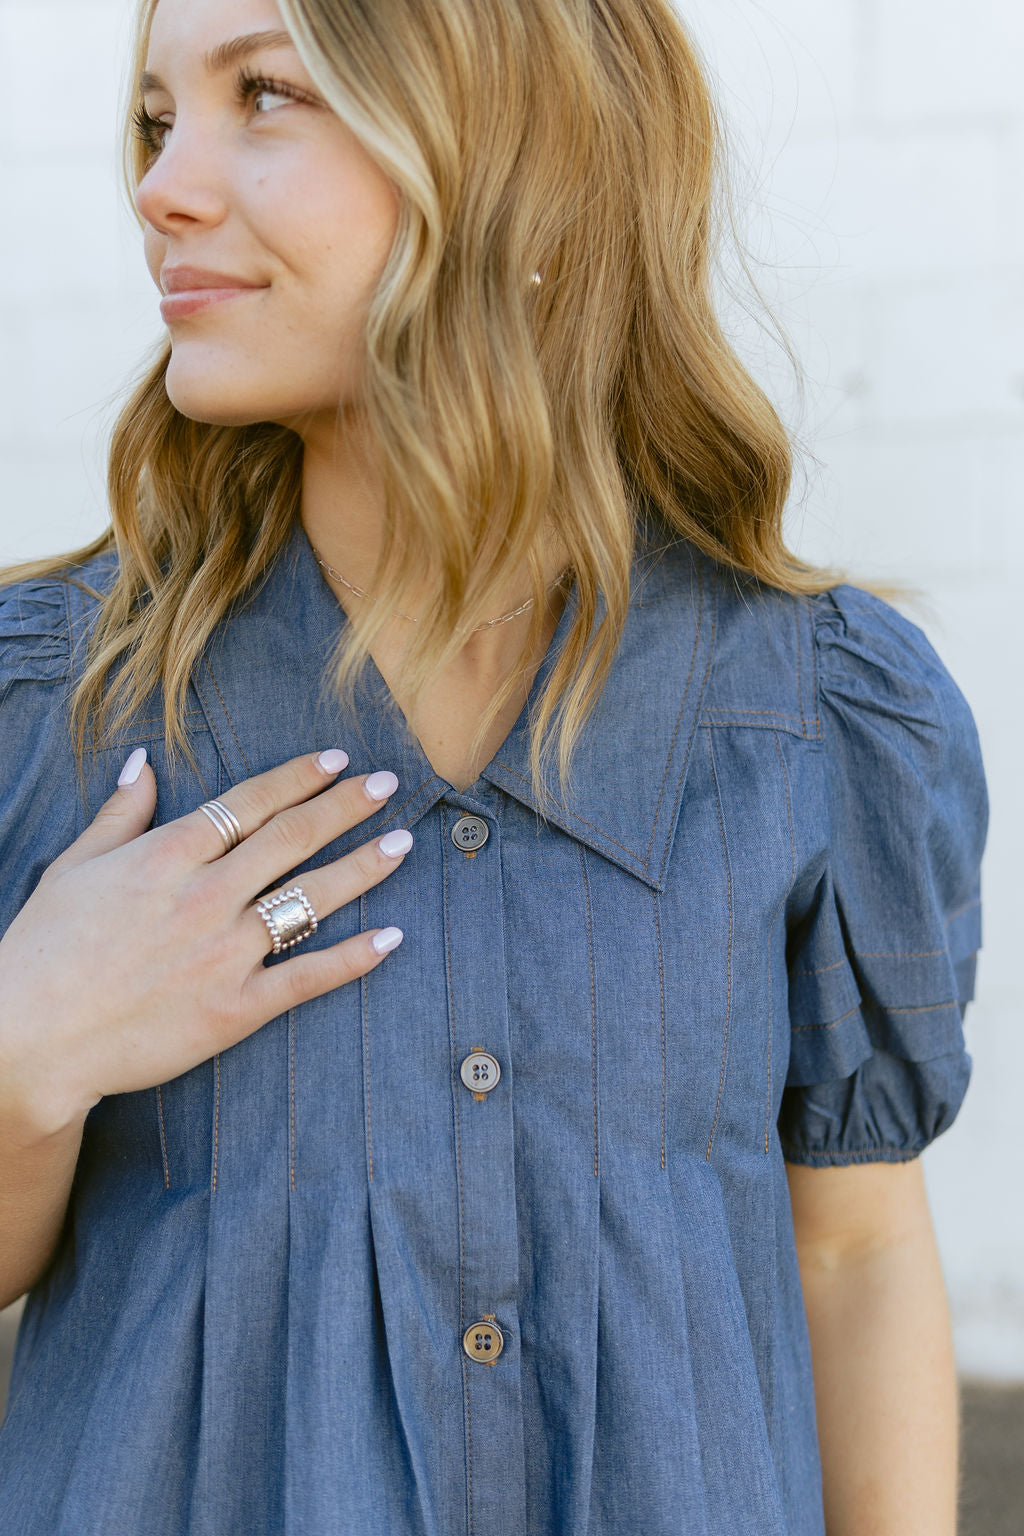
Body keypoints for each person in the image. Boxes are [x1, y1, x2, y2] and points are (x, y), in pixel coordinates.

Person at [0, 0, 988, 1530]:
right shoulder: (58, 705)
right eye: (154, 119)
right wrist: (25, 1048)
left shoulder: (817, 712)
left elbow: (854, 1253)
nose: (163, 185)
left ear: (517, 144)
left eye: (263, 94)